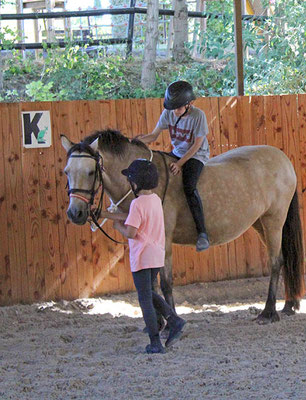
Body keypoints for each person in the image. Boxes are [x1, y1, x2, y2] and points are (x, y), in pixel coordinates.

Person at [99, 159, 186, 354]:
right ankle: (174, 320)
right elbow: (132, 216)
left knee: (145, 298)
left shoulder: (137, 204)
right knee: (148, 292)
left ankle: (155, 341)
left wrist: (117, 227)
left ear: (135, 183)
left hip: (142, 256)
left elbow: (130, 231)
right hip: (156, 255)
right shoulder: (154, 199)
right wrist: (106, 214)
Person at [137, 80, 210, 252]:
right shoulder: (169, 113)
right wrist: (136, 141)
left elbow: (197, 145)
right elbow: (153, 136)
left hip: (196, 155)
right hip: (177, 152)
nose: (175, 111)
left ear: (189, 104)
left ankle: (202, 233)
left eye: (178, 108)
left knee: (189, 186)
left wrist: (179, 164)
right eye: (173, 108)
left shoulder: (198, 116)